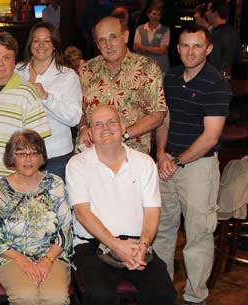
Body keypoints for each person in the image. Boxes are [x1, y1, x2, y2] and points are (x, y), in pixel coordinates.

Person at [66, 104, 176, 305]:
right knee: (102, 296)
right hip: (91, 245)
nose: (105, 128)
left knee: (163, 295)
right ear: (90, 132)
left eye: (111, 122)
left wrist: (143, 245)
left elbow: (152, 211)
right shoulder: (77, 164)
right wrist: (115, 245)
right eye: (98, 125)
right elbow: (82, 213)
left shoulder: (144, 163)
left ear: (123, 126)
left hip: (137, 244)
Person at [153, 26, 231, 305]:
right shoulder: (171, 77)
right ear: (177, 48)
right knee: (162, 229)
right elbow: (165, 119)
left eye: (197, 46)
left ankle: (195, 297)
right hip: (167, 162)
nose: (190, 51)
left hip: (198, 167)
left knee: (198, 233)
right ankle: (161, 291)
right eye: (185, 45)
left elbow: (211, 136)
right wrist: (161, 153)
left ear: (208, 49)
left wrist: (178, 160)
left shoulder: (216, 83)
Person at [0, 129, 72, 305]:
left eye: (34, 153)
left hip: (51, 255)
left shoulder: (55, 184)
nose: (28, 159)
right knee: (26, 295)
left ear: (42, 157)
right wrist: (24, 262)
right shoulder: (1, 189)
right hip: (11, 257)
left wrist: (47, 260)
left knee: (56, 297)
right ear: (11, 158)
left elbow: (66, 229)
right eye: (21, 153)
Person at [0, 30, 51, 202]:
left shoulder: (27, 93)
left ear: (15, 61)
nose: (0, 63)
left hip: (11, 186)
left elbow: (36, 147)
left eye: (7, 57)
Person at [78, 16, 167, 155]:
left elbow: (158, 114)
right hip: (91, 154)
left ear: (125, 36)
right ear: (97, 44)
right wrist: (83, 128)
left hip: (132, 155)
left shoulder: (147, 68)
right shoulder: (86, 70)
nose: (108, 45)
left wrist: (124, 135)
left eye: (113, 37)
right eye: (102, 40)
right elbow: (78, 110)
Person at [15, 22, 82, 179]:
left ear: (54, 45)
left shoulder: (67, 76)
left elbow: (74, 118)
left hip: (55, 156)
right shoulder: (16, 71)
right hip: (20, 156)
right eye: (36, 40)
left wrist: (46, 97)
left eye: (47, 41)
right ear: (30, 43)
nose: (41, 45)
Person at [206, 0, 241, 76]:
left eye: (208, 10)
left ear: (215, 13)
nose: (206, 13)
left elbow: (213, 63)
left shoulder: (216, 35)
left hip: (217, 80)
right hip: (231, 78)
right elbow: (238, 59)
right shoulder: (233, 32)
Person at [134, 5, 170, 73]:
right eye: (154, 14)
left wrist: (143, 47)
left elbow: (162, 50)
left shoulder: (165, 30)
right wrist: (155, 49)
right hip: (143, 67)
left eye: (158, 15)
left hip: (160, 67)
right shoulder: (140, 28)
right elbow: (136, 47)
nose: (155, 17)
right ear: (148, 14)